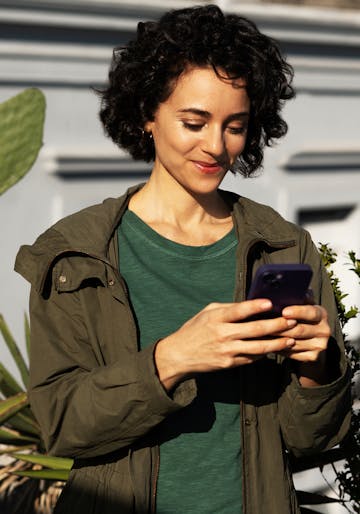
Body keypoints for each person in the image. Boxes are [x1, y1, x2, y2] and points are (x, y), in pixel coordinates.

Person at [15, 4, 351, 514]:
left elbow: (309, 440)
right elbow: (62, 426)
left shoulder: (282, 246)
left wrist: (317, 369)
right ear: (147, 114)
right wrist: (173, 359)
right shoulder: (75, 255)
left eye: (235, 126)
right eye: (194, 122)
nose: (215, 146)